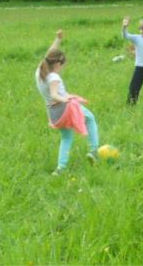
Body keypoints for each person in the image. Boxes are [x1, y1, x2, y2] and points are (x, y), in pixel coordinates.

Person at [35, 30, 100, 176]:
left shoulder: (40, 71)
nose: (62, 67)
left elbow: (49, 54)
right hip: (64, 108)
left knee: (66, 137)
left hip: (53, 113)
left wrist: (57, 40)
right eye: (62, 64)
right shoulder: (53, 77)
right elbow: (54, 94)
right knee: (90, 119)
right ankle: (94, 151)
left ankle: (60, 168)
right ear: (57, 63)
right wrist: (67, 99)